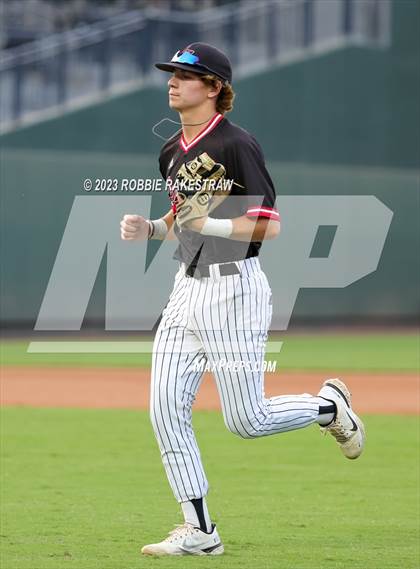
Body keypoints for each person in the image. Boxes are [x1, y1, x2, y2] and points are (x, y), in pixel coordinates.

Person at [120, 42, 365, 557]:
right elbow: (180, 220)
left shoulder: (236, 144)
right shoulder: (170, 151)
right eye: (171, 74)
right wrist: (150, 228)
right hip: (185, 288)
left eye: (186, 76)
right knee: (165, 411)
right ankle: (201, 532)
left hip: (235, 289)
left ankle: (328, 406)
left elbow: (266, 227)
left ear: (214, 88)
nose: (173, 82)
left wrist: (205, 222)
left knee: (246, 421)